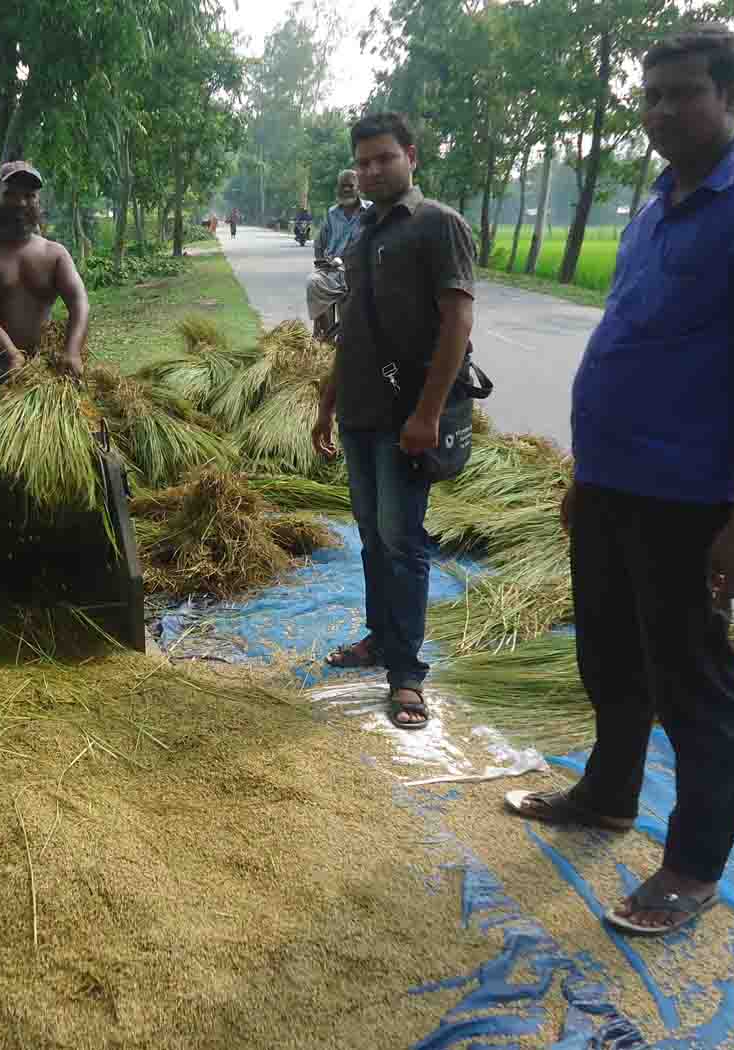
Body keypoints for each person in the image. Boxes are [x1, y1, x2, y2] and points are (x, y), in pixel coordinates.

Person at [503, 25, 734, 937]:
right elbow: (633, 341)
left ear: (731, 96)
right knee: (610, 658)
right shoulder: (654, 205)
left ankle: (692, 868)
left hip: (691, 496)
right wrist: (586, 473)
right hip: (612, 484)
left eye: (682, 93)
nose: (659, 113)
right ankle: (608, 798)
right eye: (650, 97)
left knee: (695, 685)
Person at [310, 112, 477, 730]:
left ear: (411, 157)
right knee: (372, 534)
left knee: (403, 541)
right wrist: (327, 406)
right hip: (358, 412)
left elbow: (458, 322)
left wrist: (428, 413)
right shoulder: (357, 233)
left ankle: (406, 675)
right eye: (363, 161)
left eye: (384, 158)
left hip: (408, 417)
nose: (373, 169)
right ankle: (380, 638)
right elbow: (351, 330)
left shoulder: (438, 225)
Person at [0, 161, 90, 396]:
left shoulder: (55, 254)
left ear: (39, 203)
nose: (20, 203)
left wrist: (72, 351)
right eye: (10, 194)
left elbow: (80, 303)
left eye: (29, 196)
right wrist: (12, 354)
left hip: (42, 367)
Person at [307, 169, 372, 338]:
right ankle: (327, 337)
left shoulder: (371, 211)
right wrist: (323, 261)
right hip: (332, 271)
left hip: (359, 271)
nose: (347, 189)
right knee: (314, 282)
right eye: (343, 186)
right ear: (338, 188)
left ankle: (349, 340)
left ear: (358, 188)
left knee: (354, 302)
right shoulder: (332, 213)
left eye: (351, 186)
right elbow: (319, 242)